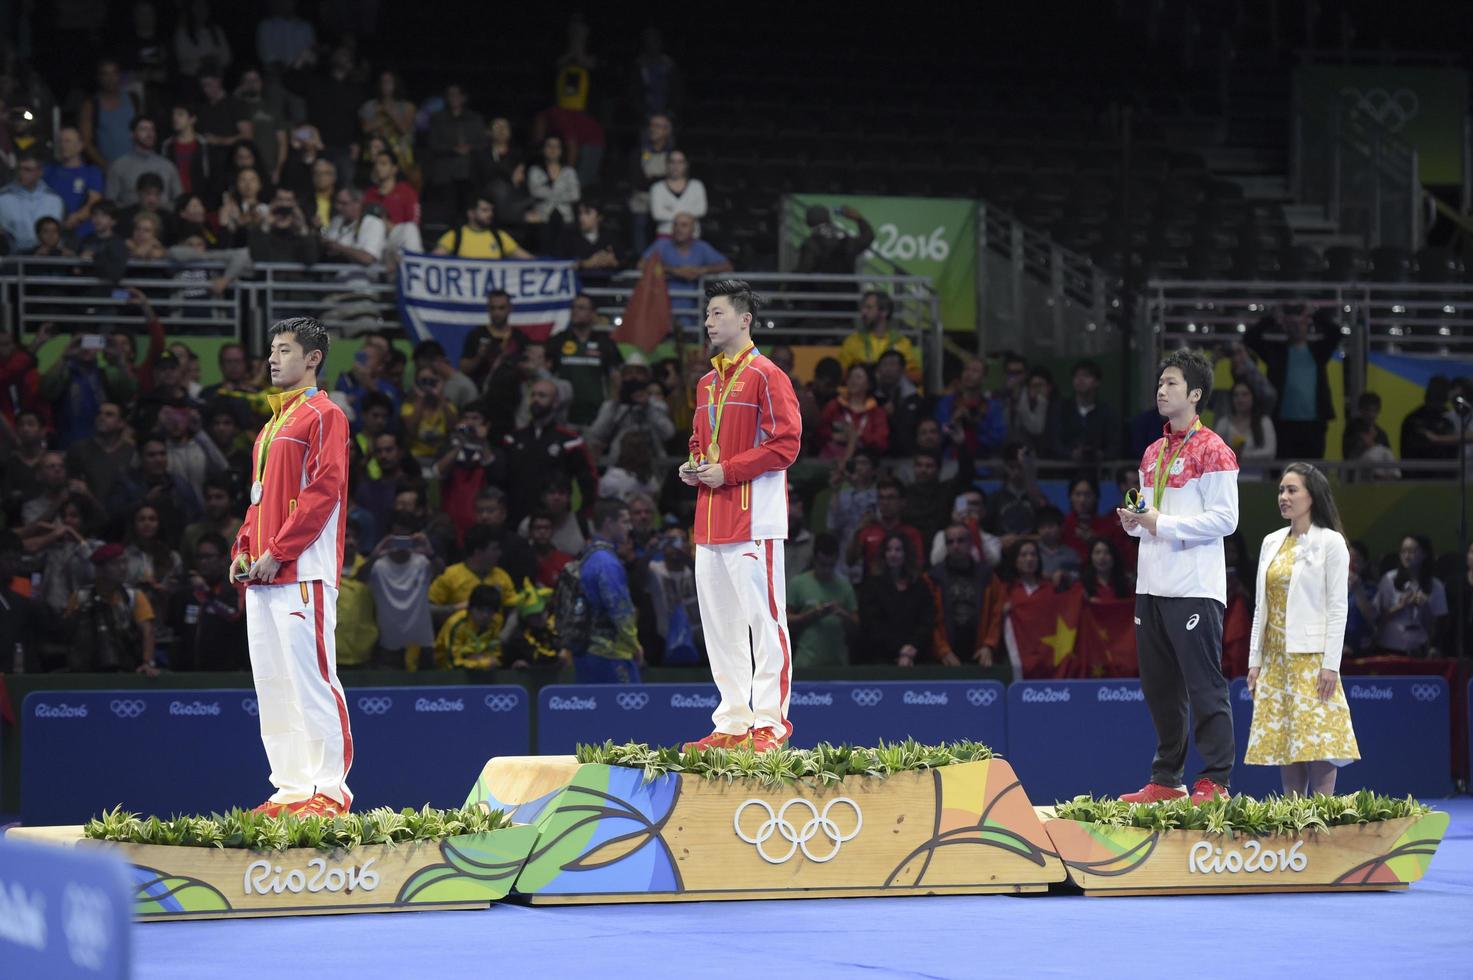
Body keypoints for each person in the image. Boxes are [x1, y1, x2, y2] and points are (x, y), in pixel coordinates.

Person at [228, 317, 354, 818]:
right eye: (272, 350)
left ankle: (330, 791)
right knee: (274, 686)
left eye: (283, 350)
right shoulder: (269, 426)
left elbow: (324, 494)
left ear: (313, 358)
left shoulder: (325, 415)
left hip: (302, 573)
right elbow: (259, 504)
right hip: (261, 577)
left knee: (313, 681)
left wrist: (277, 552)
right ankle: (292, 789)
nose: (271, 359)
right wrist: (242, 549)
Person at [679, 280, 801, 751]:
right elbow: (699, 438)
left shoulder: (768, 375)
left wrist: (726, 471)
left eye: (716, 314)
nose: (708, 322)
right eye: (707, 315)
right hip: (709, 521)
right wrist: (695, 464)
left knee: (765, 623)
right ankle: (732, 722)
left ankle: (771, 723)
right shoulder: (706, 383)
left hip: (755, 521)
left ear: (744, 319)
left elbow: (786, 445)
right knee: (721, 626)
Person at [1117, 348, 1239, 805]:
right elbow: (1152, 514)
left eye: (1170, 383)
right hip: (1151, 584)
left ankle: (1216, 780)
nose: (1161, 390)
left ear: (1195, 393)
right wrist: (1135, 520)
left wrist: (1160, 524)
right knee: (1160, 690)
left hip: (1195, 587)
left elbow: (1226, 520)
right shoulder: (1152, 452)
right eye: (1160, 383)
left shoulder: (1215, 451)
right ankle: (1167, 779)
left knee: (1204, 686)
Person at [1243, 463, 1359, 795]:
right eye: (1281, 490)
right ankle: (1293, 825)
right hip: (1276, 659)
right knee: (1286, 742)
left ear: (1313, 496)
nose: (1284, 496)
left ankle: (1318, 822)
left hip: (1312, 658)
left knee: (1318, 740)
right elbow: (1260, 607)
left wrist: (1330, 665)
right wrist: (1255, 661)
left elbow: (1339, 608)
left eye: (1292, 490)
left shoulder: (1331, 542)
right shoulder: (1270, 542)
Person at [1243, 307, 1340, 460]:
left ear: (1307, 327)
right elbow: (1250, 338)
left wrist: (1314, 314)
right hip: (1282, 424)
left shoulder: (1318, 352)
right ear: (1285, 328)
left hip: (1314, 424)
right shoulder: (1275, 353)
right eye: (1292, 325)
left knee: (1311, 472)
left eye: (1300, 324)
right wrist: (1272, 318)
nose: (1296, 327)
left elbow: (1336, 333)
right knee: (1283, 473)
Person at [567, 497, 643, 682]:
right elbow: (621, 610)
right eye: (625, 521)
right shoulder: (607, 563)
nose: (629, 527)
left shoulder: (588, 554)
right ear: (609, 523)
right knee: (629, 711)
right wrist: (635, 645)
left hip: (586, 652)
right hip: (610, 655)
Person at [857, 533, 937, 665]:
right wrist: (900, 650)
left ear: (906, 553)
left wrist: (912, 647)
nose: (893, 554)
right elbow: (872, 625)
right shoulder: (872, 586)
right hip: (880, 657)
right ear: (883, 554)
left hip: (916, 655)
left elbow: (926, 621)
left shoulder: (920, 585)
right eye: (889, 550)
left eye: (898, 550)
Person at [1374, 535, 1447, 655]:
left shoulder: (1435, 585)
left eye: (1412, 551)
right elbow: (1376, 618)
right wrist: (1399, 607)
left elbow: (1438, 627)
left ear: (1424, 554)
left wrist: (1425, 607)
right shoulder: (1389, 579)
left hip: (1419, 647)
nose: (1407, 556)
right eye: (1403, 551)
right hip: (1390, 646)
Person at [838, 291, 921, 379]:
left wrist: (892, 375)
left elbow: (916, 375)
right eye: (863, 308)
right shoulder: (853, 340)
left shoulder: (901, 342)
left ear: (884, 312)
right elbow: (840, 374)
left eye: (869, 308)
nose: (863, 312)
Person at [433, 193, 533, 259]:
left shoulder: (499, 236)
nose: (490, 214)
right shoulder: (455, 236)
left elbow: (528, 259)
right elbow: (433, 260)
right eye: (485, 210)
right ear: (471, 213)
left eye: (491, 210)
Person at [0, 152, 65, 252]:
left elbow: (57, 234)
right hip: (14, 259)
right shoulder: (3, 198)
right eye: (20, 169)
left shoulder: (54, 200)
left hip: (47, 258)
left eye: (28, 170)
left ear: (40, 172)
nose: (22, 173)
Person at [1213, 381, 1277, 480]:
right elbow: (1214, 452)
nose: (1240, 399)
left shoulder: (1264, 422)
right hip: (1229, 478)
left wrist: (1242, 455)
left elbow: (1270, 452)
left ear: (1253, 397)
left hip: (1259, 479)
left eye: (1245, 394)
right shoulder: (1224, 423)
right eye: (1236, 395)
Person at [434, 583, 504, 670]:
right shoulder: (456, 624)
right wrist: (482, 663)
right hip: (444, 672)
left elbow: (496, 655)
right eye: (480, 610)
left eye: (490, 611)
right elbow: (453, 663)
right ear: (470, 608)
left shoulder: (495, 622)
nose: (485, 615)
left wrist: (477, 659)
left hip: (481, 672)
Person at [795, 204, 874, 277]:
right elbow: (867, 237)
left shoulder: (811, 243)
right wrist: (859, 219)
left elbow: (804, 269)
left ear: (808, 222)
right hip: (846, 289)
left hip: (819, 290)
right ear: (829, 219)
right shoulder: (846, 241)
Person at [649, 150, 706, 237]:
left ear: (686, 165)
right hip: (665, 235)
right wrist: (687, 213)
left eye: (680, 162)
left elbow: (701, 210)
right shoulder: (657, 188)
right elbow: (657, 214)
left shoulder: (697, 185)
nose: (676, 166)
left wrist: (670, 210)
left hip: (692, 236)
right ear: (667, 165)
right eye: (672, 162)